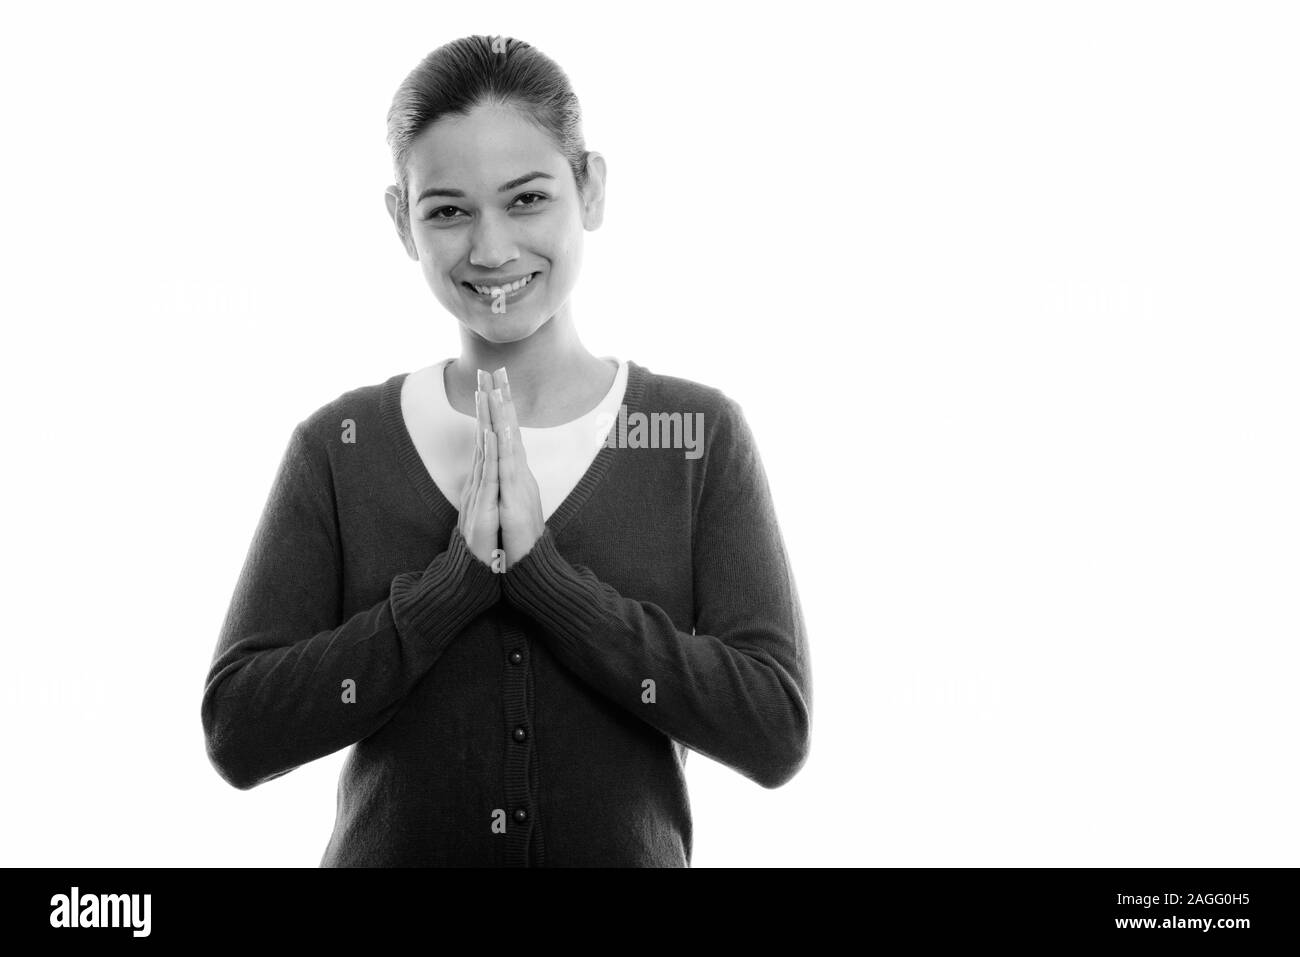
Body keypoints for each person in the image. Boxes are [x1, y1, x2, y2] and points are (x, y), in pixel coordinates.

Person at [201, 34, 811, 867]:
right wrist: (447, 590)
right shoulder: (340, 447)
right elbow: (238, 732)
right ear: (401, 222)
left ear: (589, 189)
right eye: (447, 210)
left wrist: (549, 585)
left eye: (527, 199)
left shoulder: (695, 436)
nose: (490, 250)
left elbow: (775, 730)